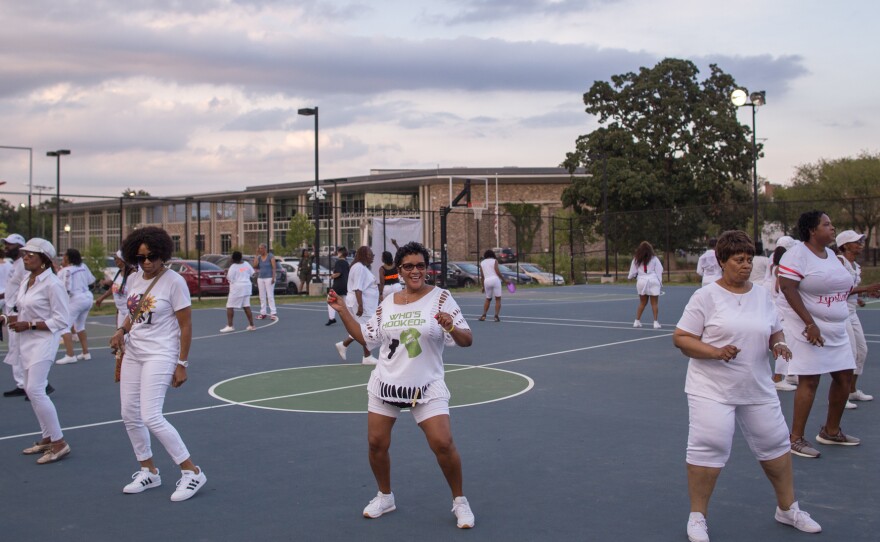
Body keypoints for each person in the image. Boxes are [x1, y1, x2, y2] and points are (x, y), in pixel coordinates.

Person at [673, 230, 821, 542]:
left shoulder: (762, 295)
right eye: (738, 260)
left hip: (756, 387)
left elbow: (775, 331)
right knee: (710, 445)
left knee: (776, 444)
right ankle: (697, 517)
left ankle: (787, 509)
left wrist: (778, 345)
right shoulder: (705, 297)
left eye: (749, 259)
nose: (745, 265)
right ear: (721, 261)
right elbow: (682, 339)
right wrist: (715, 352)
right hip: (711, 388)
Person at [326, 241, 476, 529]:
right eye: (409, 266)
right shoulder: (387, 304)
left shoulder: (441, 299)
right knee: (376, 444)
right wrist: (343, 309)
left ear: (427, 268)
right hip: (387, 384)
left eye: (420, 265)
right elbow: (365, 336)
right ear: (400, 270)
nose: (415, 271)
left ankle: (460, 501)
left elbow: (467, 340)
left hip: (425, 386)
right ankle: (385, 496)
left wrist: (451, 327)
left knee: (443, 444)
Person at [109, 226, 206, 501]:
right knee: (129, 414)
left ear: (163, 254)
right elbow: (134, 313)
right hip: (134, 352)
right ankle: (148, 470)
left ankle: (192, 472)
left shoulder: (174, 282)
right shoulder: (135, 278)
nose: (147, 262)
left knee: (150, 415)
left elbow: (185, 326)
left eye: (152, 256)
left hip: (161, 353)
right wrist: (122, 331)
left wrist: (182, 363)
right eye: (140, 258)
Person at [778, 211, 859, 459]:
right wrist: (809, 323)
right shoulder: (797, 255)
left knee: (845, 377)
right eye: (827, 224)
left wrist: (862, 291)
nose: (832, 228)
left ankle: (830, 431)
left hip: (835, 328)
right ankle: (795, 439)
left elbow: (836, 288)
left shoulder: (832, 256)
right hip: (807, 328)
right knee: (810, 380)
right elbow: (787, 287)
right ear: (813, 230)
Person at [5, 238, 72, 464]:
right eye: (24, 254)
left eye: (30, 254)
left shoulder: (53, 284)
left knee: (35, 389)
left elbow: (62, 319)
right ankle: (47, 437)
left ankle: (59, 443)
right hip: (25, 341)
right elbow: (23, 311)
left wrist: (30, 325)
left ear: (44, 259)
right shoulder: (27, 279)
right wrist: (6, 318)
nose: (25, 257)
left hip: (43, 342)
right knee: (31, 389)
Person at [2, 234, 54, 398]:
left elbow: (60, 319)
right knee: (16, 349)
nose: (6, 247)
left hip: (29, 320)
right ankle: (23, 384)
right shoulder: (19, 266)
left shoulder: (50, 282)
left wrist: (28, 322)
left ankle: (39, 385)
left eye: (10, 245)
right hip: (15, 312)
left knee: (22, 352)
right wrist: (6, 317)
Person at [835, 230, 879, 406]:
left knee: (862, 351)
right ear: (845, 245)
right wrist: (866, 288)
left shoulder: (855, 266)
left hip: (852, 311)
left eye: (861, 241)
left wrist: (859, 297)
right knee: (849, 354)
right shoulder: (839, 262)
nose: (860, 244)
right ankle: (841, 395)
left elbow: (849, 291)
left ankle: (852, 391)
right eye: (855, 241)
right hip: (840, 312)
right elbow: (837, 290)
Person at [335, 246, 379, 364]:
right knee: (367, 327)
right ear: (364, 255)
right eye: (370, 255)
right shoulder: (359, 268)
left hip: (365, 303)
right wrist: (360, 305)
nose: (372, 257)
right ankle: (367, 356)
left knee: (364, 327)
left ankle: (344, 345)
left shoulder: (361, 267)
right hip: (361, 303)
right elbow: (358, 288)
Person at [768, 237, 799, 392]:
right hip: (782, 310)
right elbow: (781, 288)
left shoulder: (776, 265)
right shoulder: (781, 267)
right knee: (784, 342)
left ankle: (790, 373)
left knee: (791, 341)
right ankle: (778, 377)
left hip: (779, 308)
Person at [55, 248, 96, 365]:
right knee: (80, 326)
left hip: (76, 299)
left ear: (67, 258)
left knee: (64, 326)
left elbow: (64, 289)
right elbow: (91, 281)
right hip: (88, 297)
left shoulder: (65, 271)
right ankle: (86, 353)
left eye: (64, 256)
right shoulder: (83, 266)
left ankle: (70, 355)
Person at [95, 250, 136, 328]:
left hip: (130, 311)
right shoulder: (118, 273)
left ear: (122, 260)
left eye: (116, 258)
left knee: (130, 336)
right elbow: (114, 288)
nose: (115, 260)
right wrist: (101, 298)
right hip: (121, 311)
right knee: (121, 335)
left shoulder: (133, 274)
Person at [628, 241, 663, 328]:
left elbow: (632, 271)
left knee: (642, 302)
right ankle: (655, 322)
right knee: (654, 303)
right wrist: (660, 281)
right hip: (653, 280)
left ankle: (636, 321)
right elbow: (660, 269)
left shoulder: (636, 259)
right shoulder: (654, 259)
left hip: (641, 281)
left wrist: (630, 277)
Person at [220, 251, 256, 333]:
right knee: (246, 306)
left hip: (237, 288)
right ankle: (252, 325)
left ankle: (230, 326)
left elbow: (230, 279)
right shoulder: (246, 264)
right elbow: (253, 274)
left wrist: (226, 273)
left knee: (229, 306)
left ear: (234, 259)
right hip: (247, 287)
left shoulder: (233, 267)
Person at [478, 249, 505, 322]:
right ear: (492, 255)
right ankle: (496, 316)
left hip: (487, 281)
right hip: (495, 280)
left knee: (488, 299)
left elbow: (482, 276)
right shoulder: (494, 261)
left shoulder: (482, 263)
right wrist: (504, 280)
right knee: (498, 299)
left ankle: (484, 315)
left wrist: (483, 286)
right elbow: (497, 271)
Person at [325, 247, 349, 326]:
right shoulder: (346, 263)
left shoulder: (338, 262)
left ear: (341, 253)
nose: (337, 254)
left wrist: (332, 276)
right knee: (344, 302)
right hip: (345, 284)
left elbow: (338, 273)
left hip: (338, 284)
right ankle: (349, 318)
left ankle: (332, 318)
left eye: (338, 252)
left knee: (330, 299)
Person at [253, 243, 277, 320]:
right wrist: (256, 255)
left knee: (270, 295)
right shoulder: (259, 257)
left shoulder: (270, 256)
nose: (260, 250)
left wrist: (273, 277)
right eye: (259, 248)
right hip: (260, 278)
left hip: (269, 278)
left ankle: (273, 313)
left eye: (262, 248)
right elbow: (255, 265)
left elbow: (274, 267)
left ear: (265, 249)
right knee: (262, 296)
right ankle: (263, 313)